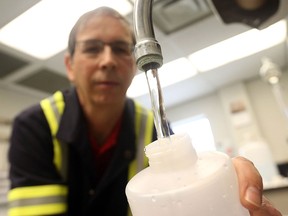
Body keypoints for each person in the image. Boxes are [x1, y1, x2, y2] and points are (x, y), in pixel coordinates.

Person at [7, 6, 282, 216]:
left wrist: (221, 188)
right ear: (69, 65)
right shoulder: (35, 126)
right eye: (92, 49)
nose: (108, 61)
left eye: (120, 49)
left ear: (133, 63)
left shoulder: (149, 127)